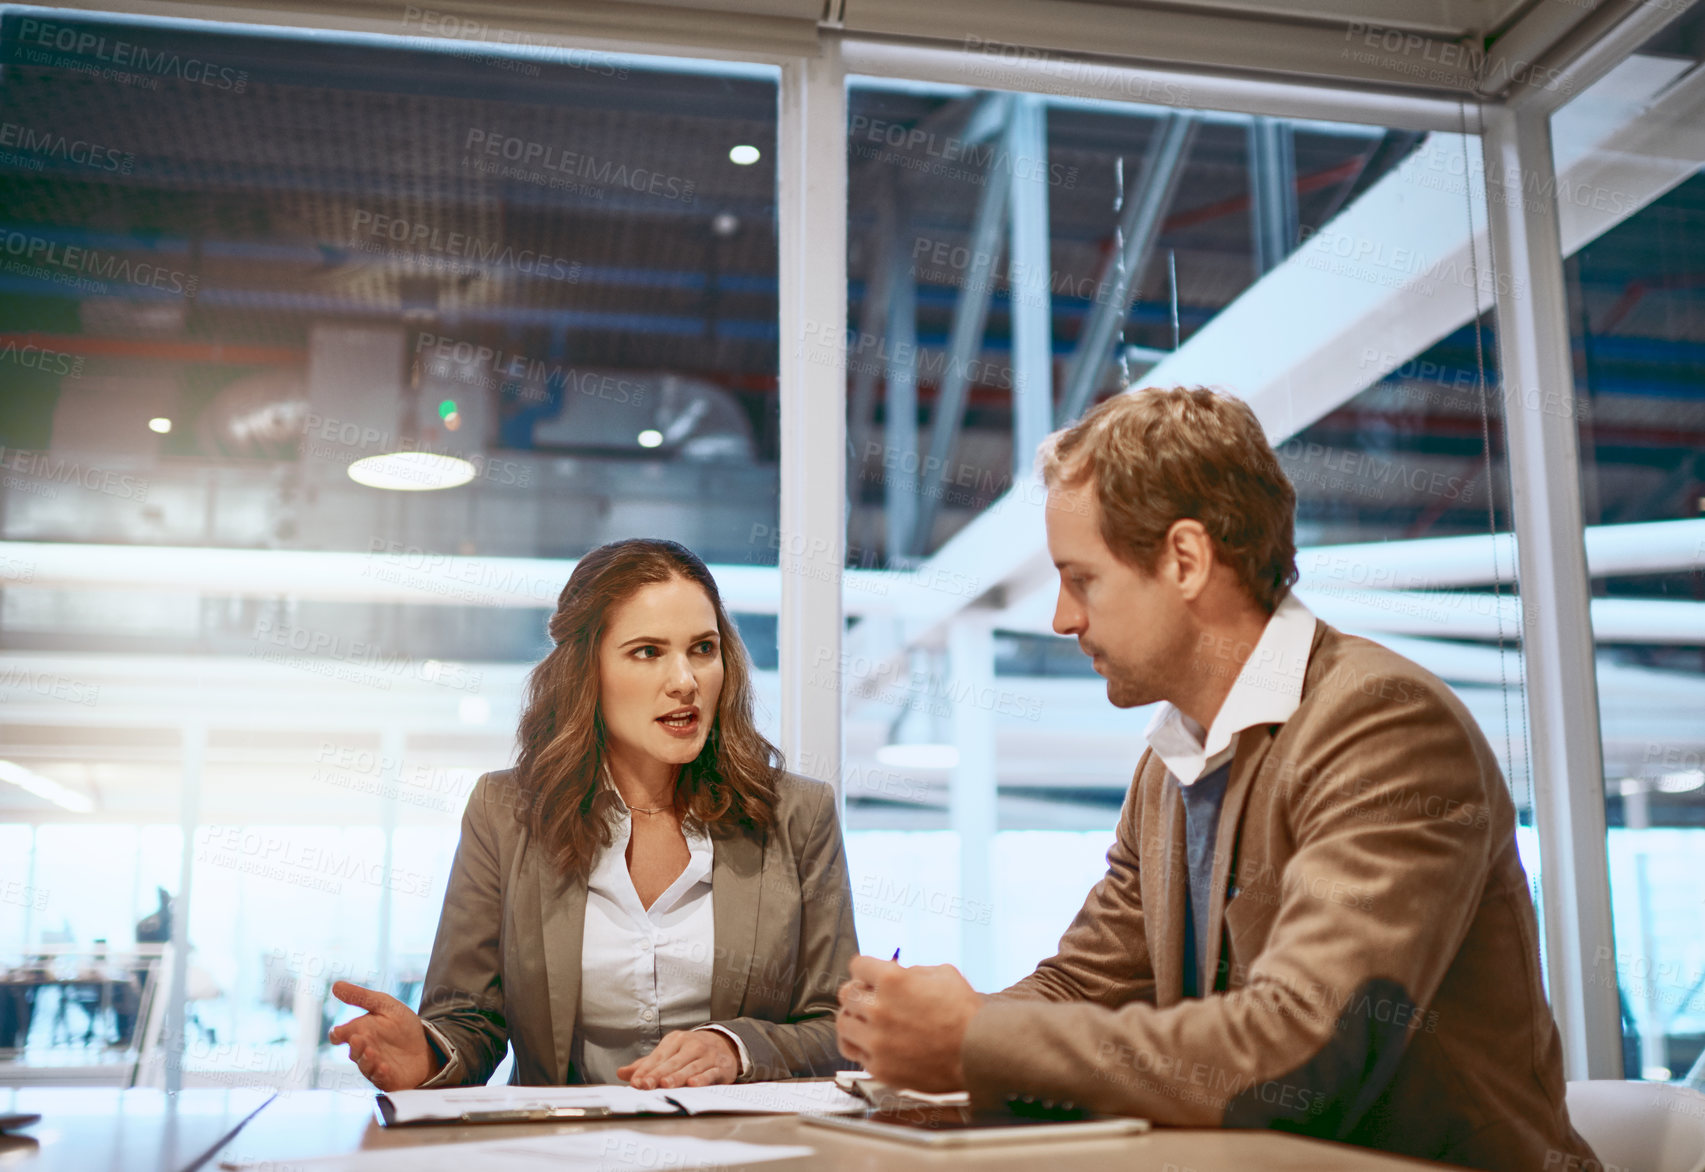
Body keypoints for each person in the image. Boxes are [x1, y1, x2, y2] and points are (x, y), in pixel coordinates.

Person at [835, 386, 1601, 1171]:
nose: (1063, 619)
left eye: (1081, 579)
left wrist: (971, 1038)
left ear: (1185, 560)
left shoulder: (1384, 723)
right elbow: (1084, 986)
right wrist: (921, 1031)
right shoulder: (1170, 765)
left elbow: (1299, 1050)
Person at [330, 538, 858, 1090]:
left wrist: (736, 1049)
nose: (685, 680)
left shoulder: (798, 814)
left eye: (702, 649)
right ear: (588, 671)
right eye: (648, 652)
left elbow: (842, 1032)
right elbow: (469, 1021)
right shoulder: (504, 813)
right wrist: (430, 1055)